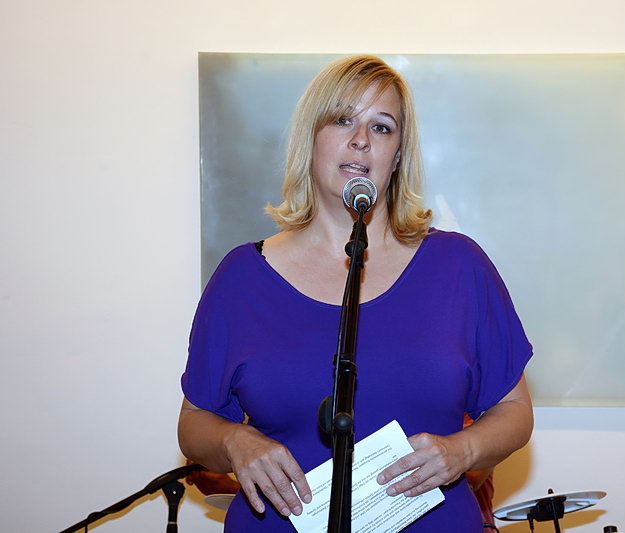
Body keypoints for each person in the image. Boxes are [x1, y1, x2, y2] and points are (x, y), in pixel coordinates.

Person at [178, 55, 533, 532]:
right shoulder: (242, 277)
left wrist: (462, 451)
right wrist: (233, 443)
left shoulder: (459, 266)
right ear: (311, 139)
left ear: (397, 156)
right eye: (343, 119)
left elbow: (515, 411)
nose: (361, 139)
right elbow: (194, 422)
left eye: (382, 127)